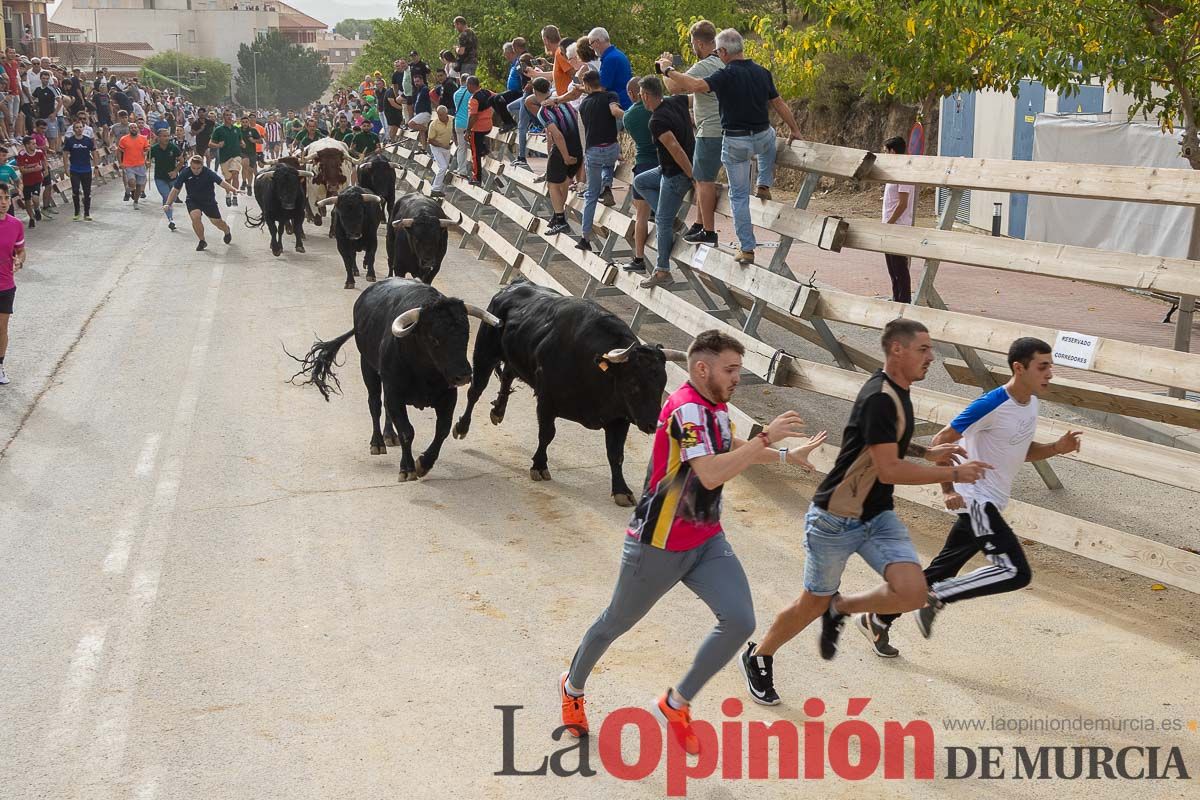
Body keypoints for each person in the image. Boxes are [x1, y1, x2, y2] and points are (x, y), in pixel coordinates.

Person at [560, 330, 823, 754]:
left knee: (739, 621)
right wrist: (768, 438)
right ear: (702, 368)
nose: (738, 377)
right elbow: (710, 473)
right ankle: (572, 688)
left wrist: (783, 457)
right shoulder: (685, 408)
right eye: (731, 369)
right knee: (616, 622)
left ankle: (674, 703)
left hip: (705, 539)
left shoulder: (715, 407)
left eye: (739, 369)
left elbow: (726, 444)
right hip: (658, 544)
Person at [742, 319, 992, 706]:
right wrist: (953, 472)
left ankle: (843, 609)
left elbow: (884, 445)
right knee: (811, 603)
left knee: (913, 593)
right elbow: (889, 468)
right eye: (923, 349)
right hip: (834, 520)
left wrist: (927, 452)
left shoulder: (898, 391)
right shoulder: (880, 396)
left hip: (877, 516)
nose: (931, 357)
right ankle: (759, 656)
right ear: (897, 350)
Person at [860, 338, 1082, 656]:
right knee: (1015, 571)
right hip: (977, 499)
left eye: (1051, 366)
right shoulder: (990, 404)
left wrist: (1056, 449)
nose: (1050, 373)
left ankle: (879, 616)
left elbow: (1022, 451)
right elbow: (941, 440)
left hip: (988, 500)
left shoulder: (1030, 403)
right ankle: (938, 596)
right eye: (1042, 366)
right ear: (1019, 368)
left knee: (942, 569)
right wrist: (948, 487)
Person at [657, 29, 804, 264]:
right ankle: (764, 182)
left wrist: (666, 69)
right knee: (771, 136)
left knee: (738, 197)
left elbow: (693, 84)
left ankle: (747, 248)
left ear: (724, 51)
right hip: (761, 136)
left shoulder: (725, 75)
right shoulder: (762, 72)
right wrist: (795, 130)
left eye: (718, 52)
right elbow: (778, 103)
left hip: (736, 142)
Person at [634, 75, 695, 290]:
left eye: (642, 96)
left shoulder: (657, 120)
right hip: (665, 168)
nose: (641, 100)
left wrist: (693, 176)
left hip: (676, 174)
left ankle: (662, 270)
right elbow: (693, 98)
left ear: (646, 95)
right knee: (640, 182)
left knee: (661, 220)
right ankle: (674, 218)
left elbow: (676, 149)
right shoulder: (676, 100)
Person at [680, 21, 724, 247]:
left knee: (704, 181)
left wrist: (667, 68)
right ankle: (699, 224)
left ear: (698, 43)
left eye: (692, 44)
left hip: (710, 131)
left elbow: (673, 86)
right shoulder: (722, 62)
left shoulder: (705, 65)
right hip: (720, 127)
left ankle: (708, 231)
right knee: (700, 177)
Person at [574, 70, 623, 252]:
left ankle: (584, 237)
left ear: (586, 85)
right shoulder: (611, 95)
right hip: (611, 149)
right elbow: (614, 111)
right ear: (599, 82)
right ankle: (608, 184)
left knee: (591, 195)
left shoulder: (584, 105)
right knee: (611, 158)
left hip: (593, 151)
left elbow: (585, 133)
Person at [529, 78, 583, 237]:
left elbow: (557, 135)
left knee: (552, 183)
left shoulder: (543, 111)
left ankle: (561, 220)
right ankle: (558, 213)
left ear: (535, 92)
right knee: (565, 181)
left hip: (564, 148)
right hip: (578, 146)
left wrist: (565, 156)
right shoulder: (564, 102)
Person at [619, 76, 658, 274]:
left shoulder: (629, 116)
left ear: (633, 94)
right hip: (662, 162)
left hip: (643, 163)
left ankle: (639, 257)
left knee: (640, 216)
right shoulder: (661, 106)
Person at [163, 154, 238, 251]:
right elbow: (175, 189)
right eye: (194, 168)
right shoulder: (185, 172)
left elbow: (221, 182)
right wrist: (168, 203)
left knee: (217, 222)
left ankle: (226, 230)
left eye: (198, 168)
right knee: (195, 217)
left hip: (208, 200)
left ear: (202, 166)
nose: (196, 170)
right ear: (190, 166)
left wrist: (233, 189)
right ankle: (202, 241)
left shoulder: (208, 172)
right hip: (193, 200)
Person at [881, 135, 916, 303]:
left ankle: (904, 301)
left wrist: (889, 223)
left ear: (893, 152)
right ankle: (896, 298)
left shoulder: (904, 174)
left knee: (900, 268)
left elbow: (902, 204)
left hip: (898, 227)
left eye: (886, 151)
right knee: (892, 269)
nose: (885, 155)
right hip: (890, 226)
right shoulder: (894, 174)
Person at [0, 183, 24, 385]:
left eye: (6, 198)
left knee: (2, 328)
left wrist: (19, 260)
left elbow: (20, 250)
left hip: (5, 285)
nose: (3, 203)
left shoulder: (16, 224)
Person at [587, 28, 633, 109]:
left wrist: (582, 88)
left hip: (619, 104)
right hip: (625, 101)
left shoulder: (610, 59)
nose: (591, 48)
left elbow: (601, 88)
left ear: (597, 42)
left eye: (591, 44)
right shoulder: (618, 54)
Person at [61, 120, 97, 221]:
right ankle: (77, 212)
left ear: (83, 128)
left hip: (86, 169)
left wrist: (96, 166)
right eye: (77, 127)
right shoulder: (70, 141)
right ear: (73, 129)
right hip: (74, 169)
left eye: (80, 127)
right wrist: (66, 167)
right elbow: (65, 154)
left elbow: (94, 153)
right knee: (75, 191)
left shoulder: (88, 140)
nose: (79, 129)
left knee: (87, 192)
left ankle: (87, 213)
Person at [149, 127, 183, 231]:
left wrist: (175, 171)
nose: (167, 138)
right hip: (160, 177)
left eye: (168, 136)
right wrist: (147, 163)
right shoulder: (153, 149)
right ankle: (171, 219)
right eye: (164, 136)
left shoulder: (173, 147)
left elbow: (181, 160)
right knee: (166, 196)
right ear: (158, 137)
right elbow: (147, 160)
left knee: (171, 198)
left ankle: (170, 213)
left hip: (172, 178)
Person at [208, 110, 243, 206]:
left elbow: (241, 140)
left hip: (236, 155)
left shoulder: (237, 129)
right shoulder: (219, 130)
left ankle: (235, 195)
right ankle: (228, 195)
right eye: (227, 115)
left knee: (235, 174)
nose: (229, 117)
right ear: (223, 117)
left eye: (230, 115)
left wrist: (242, 144)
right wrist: (218, 145)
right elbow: (210, 144)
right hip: (224, 158)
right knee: (228, 178)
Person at [465, 75, 493, 185]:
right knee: (478, 148)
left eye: (467, 85)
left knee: (475, 154)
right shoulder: (487, 92)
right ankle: (484, 149)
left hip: (478, 128)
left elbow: (473, 116)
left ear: (471, 85)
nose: (466, 87)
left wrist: (468, 130)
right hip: (488, 126)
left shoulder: (474, 99)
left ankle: (476, 177)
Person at [117, 121, 150, 209]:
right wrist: (120, 162)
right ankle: (129, 188)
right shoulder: (124, 139)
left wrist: (147, 158)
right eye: (131, 127)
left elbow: (147, 150)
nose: (133, 129)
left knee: (139, 185)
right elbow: (119, 151)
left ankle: (135, 202)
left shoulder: (143, 138)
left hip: (140, 165)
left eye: (135, 127)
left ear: (137, 129)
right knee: (132, 182)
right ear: (129, 129)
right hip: (128, 165)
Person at [15, 136, 45, 227]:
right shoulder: (22, 154)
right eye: (33, 144)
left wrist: (44, 170)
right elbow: (22, 170)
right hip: (27, 181)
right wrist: (35, 169)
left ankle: (36, 209)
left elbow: (44, 161)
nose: (35, 145)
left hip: (37, 179)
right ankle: (31, 218)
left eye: (35, 143)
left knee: (35, 198)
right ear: (27, 145)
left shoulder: (39, 152)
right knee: (27, 201)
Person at [427, 105, 454, 198]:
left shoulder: (452, 120)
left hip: (447, 147)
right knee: (443, 167)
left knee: (444, 168)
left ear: (446, 114)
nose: (440, 117)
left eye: (442, 115)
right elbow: (430, 140)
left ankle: (439, 188)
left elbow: (455, 130)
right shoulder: (433, 124)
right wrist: (442, 145)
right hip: (436, 147)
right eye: (438, 115)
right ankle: (435, 189)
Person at [452, 78, 473, 177]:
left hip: (458, 123)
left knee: (461, 148)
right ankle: (475, 171)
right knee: (474, 148)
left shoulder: (456, 94)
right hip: (468, 124)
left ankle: (461, 170)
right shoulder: (470, 93)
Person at [240, 111, 263, 195]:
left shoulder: (253, 131)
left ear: (249, 122)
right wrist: (240, 144)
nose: (245, 123)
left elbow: (261, 141)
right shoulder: (238, 131)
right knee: (245, 163)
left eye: (246, 122)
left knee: (250, 170)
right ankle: (243, 181)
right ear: (241, 123)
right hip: (242, 152)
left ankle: (249, 186)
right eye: (243, 122)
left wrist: (254, 140)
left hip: (252, 153)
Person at [407, 73, 432, 149]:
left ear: (422, 80)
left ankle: (430, 130)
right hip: (420, 114)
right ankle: (424, 148)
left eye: (417, 81)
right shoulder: (418, 90)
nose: (416, 83)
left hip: (425, 113)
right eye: (415, 82)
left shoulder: (425, 89)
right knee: (421, 132)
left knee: (410, 124)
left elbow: (431, 98)